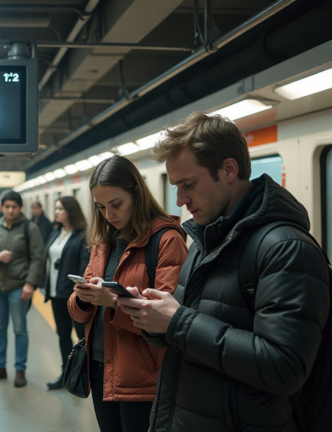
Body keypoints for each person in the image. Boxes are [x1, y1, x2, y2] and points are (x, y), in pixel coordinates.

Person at [116, 113, 330, 432]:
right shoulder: (206, 240)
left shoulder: (285, 249)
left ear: (228, 170)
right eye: (176, 186)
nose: (180, 200)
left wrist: (177, 321)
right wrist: (154, 318)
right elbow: (185, 328)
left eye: (188, 184)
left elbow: (284, 368)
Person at [67, 155, 188, 432]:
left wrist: (112, 302)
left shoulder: (167, 240)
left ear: (137, 193)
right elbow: (76, 309)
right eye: (100, 207)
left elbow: (168, 317)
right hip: (100, 366)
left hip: (142, 375)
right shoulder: (103, 241)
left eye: (116, 204)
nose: (109, 215)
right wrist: (83, 297)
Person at [0, 191, 45, 387]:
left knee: (19, 329)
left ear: (20, 207)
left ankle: (20, 369)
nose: (10, 210)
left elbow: (37, 258)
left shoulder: (29, 229)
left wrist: (30, 284)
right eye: (7, 206)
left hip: (18, 287)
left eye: (14, 207)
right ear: (2, 207)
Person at [37, 196, 90, 390]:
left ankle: (85, 374)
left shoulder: (81, 236)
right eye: (56, 208)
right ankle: (67, 374)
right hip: (56, 293)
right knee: (62, 334)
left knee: (80, 334)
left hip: (73, 295)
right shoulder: (55, 232)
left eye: (60, 209)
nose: (56, 212)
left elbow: (84, 266)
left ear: (70, 211)